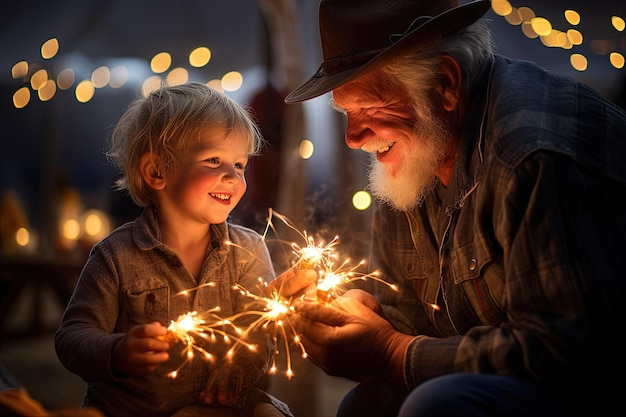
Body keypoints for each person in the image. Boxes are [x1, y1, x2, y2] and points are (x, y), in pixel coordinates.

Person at [273, 0, 626, 415]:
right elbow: (411, 316)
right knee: (365, 405)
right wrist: (351, 315)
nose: (353, 137)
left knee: (437, 405)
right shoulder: (415, 156)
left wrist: (391, 351)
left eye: (368, 107)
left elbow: (564, 348)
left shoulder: (532, 155)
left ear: (445, 82)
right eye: (347, 113)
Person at [55, 83, 293, 417]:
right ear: (156, 171)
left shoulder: (248, 250)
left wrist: (240, 368)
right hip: (132, 408)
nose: (233, 178)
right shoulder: (116, 257)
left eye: (239, 165)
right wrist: (117, 351)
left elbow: (262, 330)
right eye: (214, 160)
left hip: (220, 408)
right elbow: (71, 338)